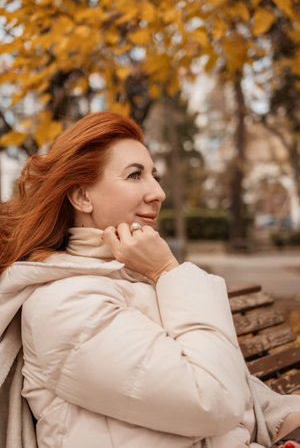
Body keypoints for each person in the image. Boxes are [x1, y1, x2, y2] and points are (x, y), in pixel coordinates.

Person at [0, 111, 299, 448]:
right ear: (83, 197)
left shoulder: (130, 280)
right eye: (134, 175)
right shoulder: (64, 305)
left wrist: (281, 423)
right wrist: (167, 271)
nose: (158, 192)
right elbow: (213, 400)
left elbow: (237, 388)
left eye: (154, 176)